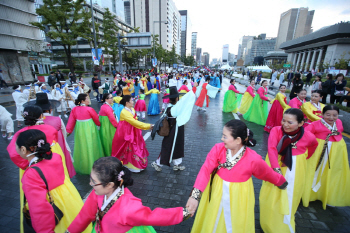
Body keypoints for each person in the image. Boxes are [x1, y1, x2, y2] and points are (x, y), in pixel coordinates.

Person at [186, 120, 288, 232]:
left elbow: (267, 173)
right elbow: (205, 170)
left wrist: (281, 182)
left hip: (239, 196)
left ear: (238, 140)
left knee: (234, 222)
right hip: (217, 191)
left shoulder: (253, 159)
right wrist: (195, 196)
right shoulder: (218, 149)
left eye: (225, 136)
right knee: (214, 216)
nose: (221, 139)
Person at [67, 157, 190, 233]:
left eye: (93, 182)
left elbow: (154, 216)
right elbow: (85, 215)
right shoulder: (97, 193)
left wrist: (183, 213)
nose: (90, 184)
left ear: (109, 185)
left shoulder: (128, 208)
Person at [15, 129, 91, 233]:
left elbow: (39, 208)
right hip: (68, 200)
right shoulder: (55, 157)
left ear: (23, 150)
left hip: (52, 209)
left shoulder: (31, 174)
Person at [259, 108, 318, 233]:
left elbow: (314, 145)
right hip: (276, 164)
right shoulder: (276, 130)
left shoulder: (308, 136)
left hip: (296, 168)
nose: (285, 124)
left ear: (301, 123)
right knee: (271, 194)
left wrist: (303, 157)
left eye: (290, 122)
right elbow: (272, 149)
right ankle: (268, 222)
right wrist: (276, 170)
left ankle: (284, 223)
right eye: (283, 120)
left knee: (291, 193)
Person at [302, 105, 350, 209]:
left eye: (335, 115)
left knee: (333, 172)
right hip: (319, 150)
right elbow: (305, 134)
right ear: (322, 114)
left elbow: (340, 131)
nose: (331, 117)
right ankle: (309, 194)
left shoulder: (339, 122)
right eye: (328, 114)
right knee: (314, 170)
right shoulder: (315, 124)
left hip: (337, 150)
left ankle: (328, 196)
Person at [27, 93, 76, 178]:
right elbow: (64, 134)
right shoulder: (57, 120)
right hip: (58, 148)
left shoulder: (32, 124)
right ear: (49, 109)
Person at [151, 85, 198, 171]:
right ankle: (157, 163)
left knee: (176, 146)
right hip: (174, 131)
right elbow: (186, 100)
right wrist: (193, 89)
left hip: (173, 130)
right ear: (176, 98)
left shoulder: (169, 107)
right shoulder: (176, 108)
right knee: (169, 147)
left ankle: (177, 164)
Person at [111, 95, 153, 172]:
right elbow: (134, 122)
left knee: (134, 146)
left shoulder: (132, 109)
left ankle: (133, 164)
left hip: (132, 131)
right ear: (127, 103)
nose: (133, 101)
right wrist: (148, 126)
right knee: (129, 147)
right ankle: (130, 165)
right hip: (125, 133)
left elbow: (135, 121)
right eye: (131, 100)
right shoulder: (124, 112)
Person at [66, 93, 104, 174]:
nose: (88, 100)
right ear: (82, 100)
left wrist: (67, 132)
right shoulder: (89, 109)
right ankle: (94, 164)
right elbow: (97, 120)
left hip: (80, 130)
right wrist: (99, 125)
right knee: (92, 145)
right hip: (90, 129)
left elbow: (71, 122)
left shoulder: (74, 109)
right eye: (87, 99)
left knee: (82, 146)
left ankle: (84, 165)